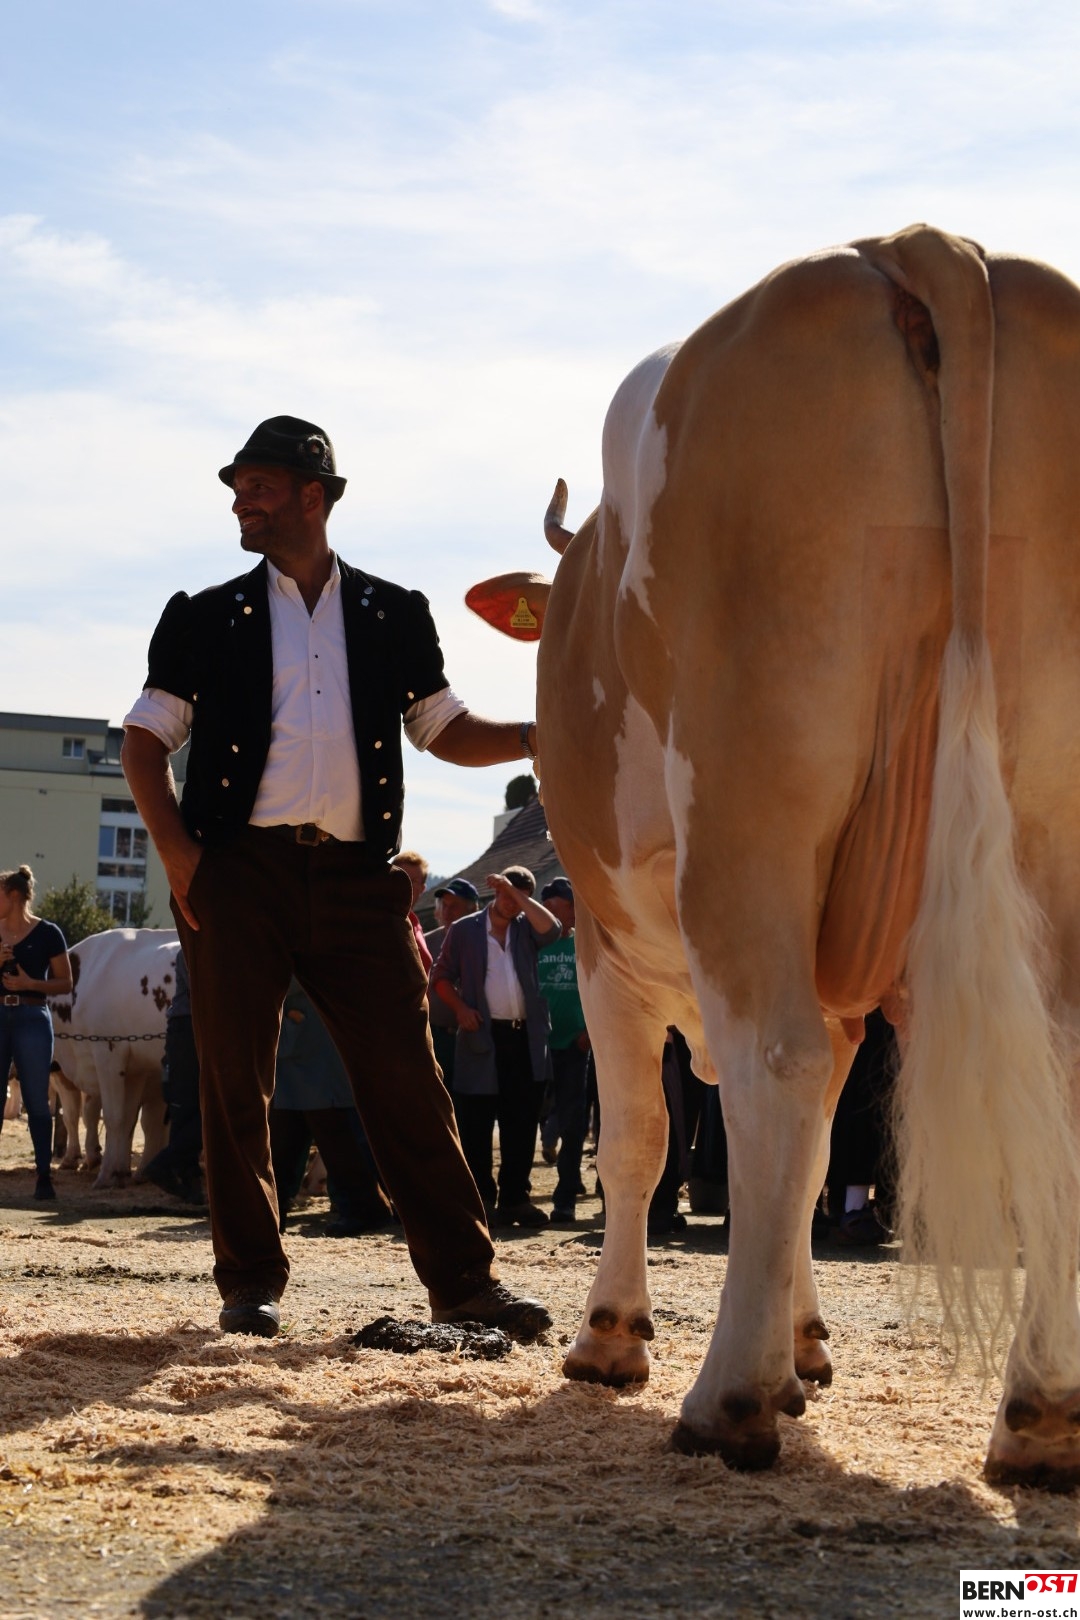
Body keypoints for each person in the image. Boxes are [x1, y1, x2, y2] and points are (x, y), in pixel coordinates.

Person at [120, 414, 552, 1341]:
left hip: (359, 878)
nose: (241, 503)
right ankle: (248, 1285)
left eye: (259, 486)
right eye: (238, 489)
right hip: (238, 872)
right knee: (236, 1083)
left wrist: (534, 736)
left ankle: (465, 1287)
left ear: (312, 495)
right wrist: (181, 856)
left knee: (409, 1081)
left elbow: (443, 731)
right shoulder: (204, 615)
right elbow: (143, 742)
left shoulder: (393, 612)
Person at [431, 866, 560, 1226]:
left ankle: (515, 1199)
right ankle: (481, 1200)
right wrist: (460, 1009)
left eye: (519, 898)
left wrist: (515, 893)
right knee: (476, 1123)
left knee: (522, 1123)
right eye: (505, 895)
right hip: (482, 1037)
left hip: (525, 1039)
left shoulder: (526, 928)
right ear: (494, 893)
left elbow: (553, 929)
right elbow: (440, 977)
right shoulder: (465, 930)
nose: (511, 904)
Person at [271, 979, 393, 1237]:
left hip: (312, 1039)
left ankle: (365, 1207)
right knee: (287, 1131)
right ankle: (270, 1210)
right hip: (300, 1039)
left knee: (331, 1127)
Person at [0, 865, 72, 1200]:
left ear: (13, 896)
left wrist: (30, 983)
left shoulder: (48, 933)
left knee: (36, 1100)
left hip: (32, 1015)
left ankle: (44, 1176)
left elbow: (65, 983)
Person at [535, 878, 591, 1225]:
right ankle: (515, 1194)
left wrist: (590, 1029)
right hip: (536, 1043)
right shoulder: (532, 942)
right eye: (553, 907)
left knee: (573, 1125)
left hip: (575, 1045)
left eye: (567, 906)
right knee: (525, 1119)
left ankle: (565, 1198)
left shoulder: (586, 942)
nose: (564, 913)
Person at [140, 947, 205, 1205]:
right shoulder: (192, 950)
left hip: (187, 1029)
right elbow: (204, 991)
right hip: (192, 1028)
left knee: (187, 1110)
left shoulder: (192, 948)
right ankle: (167, 1165)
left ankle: (188, 1180)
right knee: (196, 1109)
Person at [424, 878, 480, 1091]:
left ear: (472, 909)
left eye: (454, 906)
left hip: (473, 1036)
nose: (447, 912)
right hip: (436, 1035)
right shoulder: (427, 942)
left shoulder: (484, 942)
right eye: (444, 906)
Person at [392, 850, 433, 972]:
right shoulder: (380, 920)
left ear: (422, 888)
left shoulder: (415, 924)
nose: (407, 884)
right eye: (402, 877)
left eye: (413, 881)